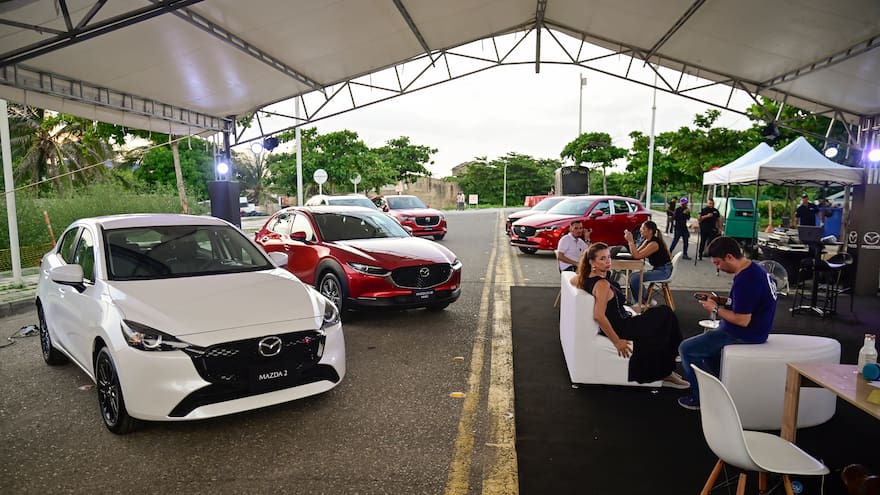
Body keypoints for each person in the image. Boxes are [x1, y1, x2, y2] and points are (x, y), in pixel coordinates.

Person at [677, 236, 778, 410]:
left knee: (686, 349)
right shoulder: (755, 270)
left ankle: (700, 398)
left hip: (746, 334)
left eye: (717, 263)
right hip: (756, 330)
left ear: (729, 257)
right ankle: (723, 390)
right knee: (707, 351)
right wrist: (719, 300)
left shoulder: (747, 280)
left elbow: (742, 320)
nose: (717, 268)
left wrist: (715, 308)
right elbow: (743, 302)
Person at [572, 242, 689, 387]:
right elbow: (598, 316)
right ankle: (670, 363)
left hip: (623, 320)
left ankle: (670, 362)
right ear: (591, 262)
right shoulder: (601, 285)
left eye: (608, 257)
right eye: (602, 259)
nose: (608, 261)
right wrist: (617, 342)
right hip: (621, 327)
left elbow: (573, 279)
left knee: (662, 315)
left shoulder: (589, 277)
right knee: (665, 314)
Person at [622, 220, 672, 307]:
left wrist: (630, 241)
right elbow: (636, 252)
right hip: (659, 269)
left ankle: (644, 301)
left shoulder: (654, 244)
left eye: (643, 228)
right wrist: (631, 242)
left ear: (650, 231)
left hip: (664, 271)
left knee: (635, 278)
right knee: (633, 277)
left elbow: (637, 256)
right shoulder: (647, 241)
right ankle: (643, 301)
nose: (641, 230)